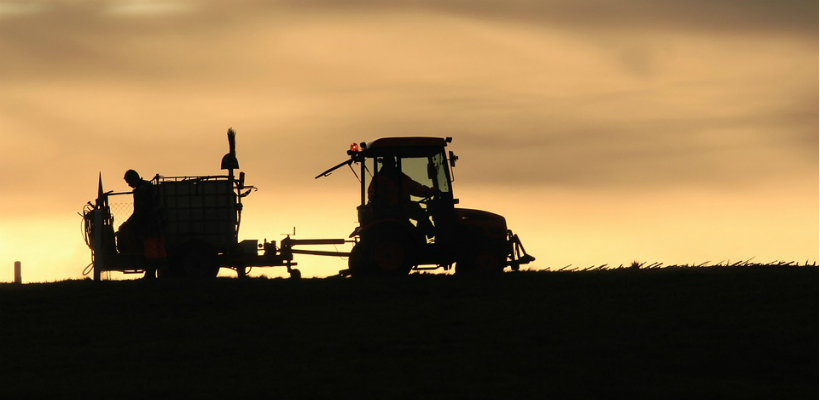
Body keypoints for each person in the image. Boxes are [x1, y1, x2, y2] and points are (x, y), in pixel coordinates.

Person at [367, 157, 436, 236]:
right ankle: (427, 233)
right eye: (391, 164)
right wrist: (431, 192)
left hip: (391, 209)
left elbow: (415, 188)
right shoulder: (398, 178)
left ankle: (422, 234)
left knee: (415, 208)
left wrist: (430, 192)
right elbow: (416, 188)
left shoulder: (380, 178)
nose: (392, 166)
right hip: (395, 210)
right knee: (419, 212)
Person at [123, 169, 166, 279]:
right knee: (160, 248)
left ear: (134, 179)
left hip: (149, 224)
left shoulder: (141, 190)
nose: (129, 185)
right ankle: (163, 272)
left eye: (129, 182)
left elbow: (140, 211)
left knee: (150, 249)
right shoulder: (148, 185)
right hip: (159, 222)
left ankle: (150, 273)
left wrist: (128, 224)